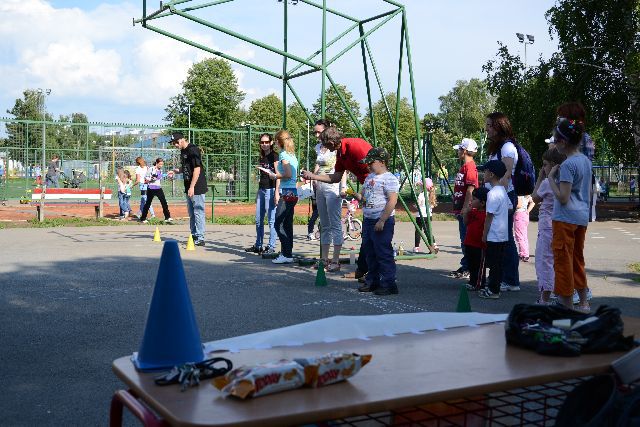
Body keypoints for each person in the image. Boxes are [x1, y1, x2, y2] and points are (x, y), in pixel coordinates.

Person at [301, 126, 372, 281]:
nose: (325, 147)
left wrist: (365, 192)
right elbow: (336, 177)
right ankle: (363, 271)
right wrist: (313, 176)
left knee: (374, 235)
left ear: (332, 142)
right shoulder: (340, 153)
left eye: (326, 144)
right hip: (367, 188)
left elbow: (374, 170)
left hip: (374, 189)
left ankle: (377, 275)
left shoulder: (355, 146)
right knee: (368, 235)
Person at [547, 118, 592, 313]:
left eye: (555, 140)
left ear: (563, 142)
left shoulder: (567, 165)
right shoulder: (585, 161)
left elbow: (563, 197)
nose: (554, 144)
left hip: (564, 219)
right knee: (577, 259)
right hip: (581, 217)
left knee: (563, 261)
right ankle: (583, 302)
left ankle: (566, 305)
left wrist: (551, 178)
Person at [353, 147, 399, 296]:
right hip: (368, 220)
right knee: (369, 252)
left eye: (371, 162)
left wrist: (382, 220)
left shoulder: (389, 178)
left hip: (382, 221)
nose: (368, 165)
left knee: (383, 252)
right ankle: (372, 281)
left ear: (382, 162)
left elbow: (392, 200)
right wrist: (356, 196)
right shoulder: (369, 178)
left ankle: (389, 283)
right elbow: (364, 197)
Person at [484, 112, 519, 293]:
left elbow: (506, 175)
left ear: (499, 127)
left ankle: (510, 279)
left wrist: (500, 197)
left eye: (489, 125)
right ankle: (501, 277)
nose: (486, 129)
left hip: (504, 196)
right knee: (500, 238)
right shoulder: (497, 147)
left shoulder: (507, 148)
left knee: (505, 238)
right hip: (498, 196)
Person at [311, 119, 349, 272]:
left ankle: (335, 260)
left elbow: (342, 169)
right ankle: (324, 259)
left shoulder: (335, 147)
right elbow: (318, 165)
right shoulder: (318, 147)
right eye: (315, 132)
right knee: (324, 224)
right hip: (320, 187)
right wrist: (312, 177)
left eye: (319, 132)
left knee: (335, 224)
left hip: (333, 187)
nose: (317, 135)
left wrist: (343, 187)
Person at [532, 147, 566, 305]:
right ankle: (559, 293)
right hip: (560, 225)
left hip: (546, 227)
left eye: (545, 165)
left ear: (554, 166)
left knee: (544, 260)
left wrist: (540, 178)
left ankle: (544, 298)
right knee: (558, 261)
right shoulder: (565, 183)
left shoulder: (547, 183)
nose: (543, 168)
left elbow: (534, 198)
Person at [477, 160, 510, 299]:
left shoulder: (492, 193)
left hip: (494, 235)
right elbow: (510, 208)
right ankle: (495, 287)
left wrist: (484, 235)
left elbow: (489, 216)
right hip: (502, 234)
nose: (483, 174)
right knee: (498, 264)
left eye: (485, 171)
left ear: (491, 174)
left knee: (493, 264)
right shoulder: (502, 191)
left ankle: (493, 290)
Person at [169, 132, 208, 246]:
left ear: (182, 139)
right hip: (188, 186)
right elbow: (186, 167)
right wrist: (175, 171)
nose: (175, 145)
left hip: (197, 187)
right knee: (191, 213)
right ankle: (194, 234)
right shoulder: (183, 151)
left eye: (176, 142)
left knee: (198, 212)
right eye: (173, 143)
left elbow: (197, 169)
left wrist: (192, 187)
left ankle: (200, 237)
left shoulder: (193, 150)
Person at [268, 130, 299, 264]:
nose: (274, 142)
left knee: (278, 223)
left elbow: (288, 174)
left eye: (276, 140)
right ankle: (287, 253)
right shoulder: (292, 154)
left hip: (287, 192)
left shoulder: (283, 154)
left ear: (280, 141)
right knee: (287, 224)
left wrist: (275, 176)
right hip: (292, 192)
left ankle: (286, 253)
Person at [450, 138, 479, 279]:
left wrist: (466, 208)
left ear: (465, 151)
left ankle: (469, 268)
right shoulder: (464, 167)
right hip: (460, 207)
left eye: (460, 149)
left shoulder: (470, 167)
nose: (458, 151)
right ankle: (466, 265)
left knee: (466, 240)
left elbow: (470, 189)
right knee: (464, 239)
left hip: (465, 210)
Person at [246, 133, 278, 255]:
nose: (264, 144)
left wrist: (276, 193)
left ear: (271, 143)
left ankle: (271, 246)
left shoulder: (274, 156)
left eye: (266, 142)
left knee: (271, 220)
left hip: (271, 190)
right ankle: (258, 245)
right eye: (262, 142)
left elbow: (278, 176)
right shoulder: (262, 157)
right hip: (262, 190)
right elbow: (262, 176)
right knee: (258, 219)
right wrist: (258, 193)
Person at [463, 186, 489, 291]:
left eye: (474, 199)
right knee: (471, 264)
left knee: (479, 265)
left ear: (482, 203)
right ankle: (472, 281)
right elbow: (466, 223)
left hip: (479, 245)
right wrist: (466, 213)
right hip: (469, 243)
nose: (471, 201)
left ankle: (479, 283)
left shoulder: (486, 215)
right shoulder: (473, 212)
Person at [139, 158, 173, 223]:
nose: (161, 165)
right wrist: (151, 179)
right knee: (148, 203)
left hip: (158, 188)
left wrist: (168, 175)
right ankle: (143, 218)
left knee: (164, 202)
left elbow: (160, 177)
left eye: (162, 164)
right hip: (151, 188)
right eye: (160, 164)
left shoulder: (161, 170)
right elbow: (146, 177)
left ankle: (167, 217)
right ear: (156, 163)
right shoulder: (151, 169)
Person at [414, 178, 437, 253]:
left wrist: (415, 205)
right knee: (428, 231)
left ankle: (416, 247)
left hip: (420, 216)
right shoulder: (431, 194)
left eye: (421, 185)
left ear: (423, 186)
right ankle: (434, 244)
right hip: (429, 216)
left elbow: (418, 204)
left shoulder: (421, 194)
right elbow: (432, 206)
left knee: (418, 231)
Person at [513, 194, 535, 262]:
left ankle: (524, 254)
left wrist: (511, 205)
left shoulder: (519, 194)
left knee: (519, 236)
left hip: (519, 215)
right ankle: (525, 253)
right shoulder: (527, 194)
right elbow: (533, 202)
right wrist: (528, 211)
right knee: (524, 236)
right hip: (525, 214)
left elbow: (519, 205)